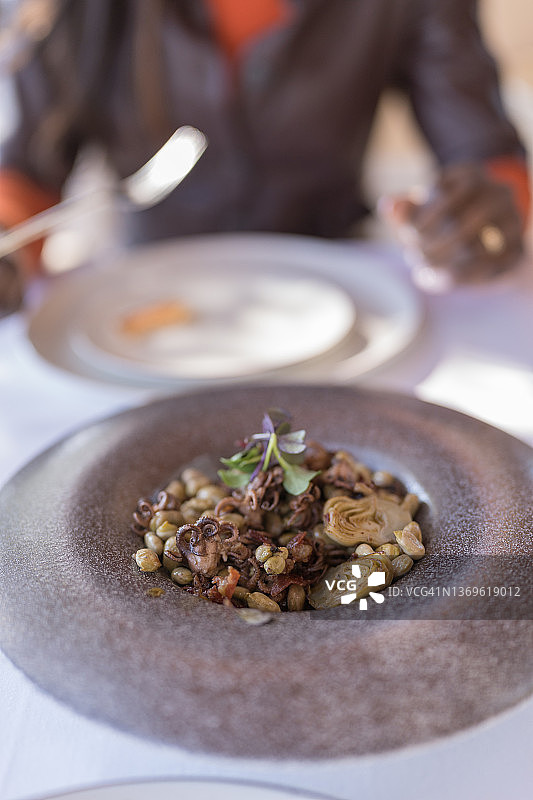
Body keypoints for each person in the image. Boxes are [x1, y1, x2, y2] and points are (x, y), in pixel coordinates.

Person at [0, 0, 530, 316]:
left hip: (347, 301)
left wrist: (484, 215)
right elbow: (27, 173)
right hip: (141, 308)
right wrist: (10, 249)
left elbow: (485, 152)